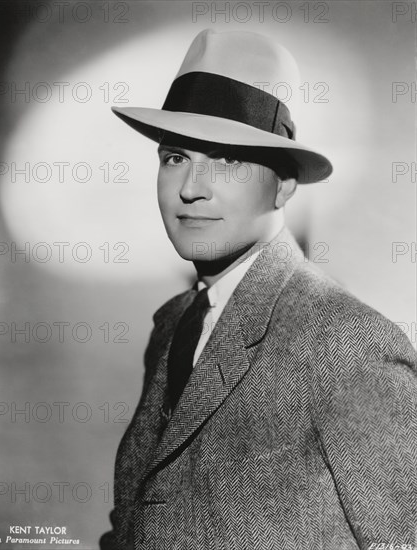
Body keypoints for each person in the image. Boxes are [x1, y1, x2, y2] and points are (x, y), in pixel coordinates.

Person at [100, 29, 417, 549]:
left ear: (285, 184)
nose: (190, 188)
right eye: (175, 157)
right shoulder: (173, 324)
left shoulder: (349, 344)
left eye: (226, 160)